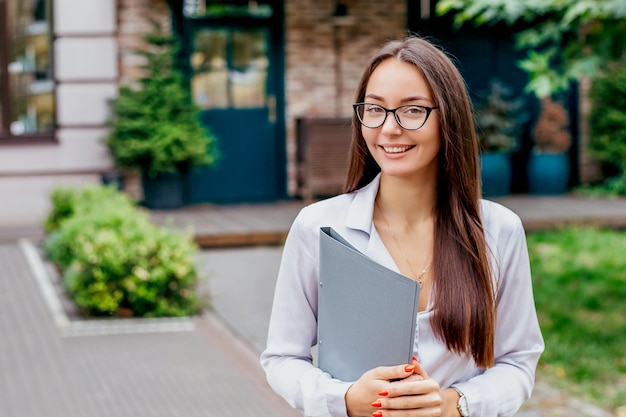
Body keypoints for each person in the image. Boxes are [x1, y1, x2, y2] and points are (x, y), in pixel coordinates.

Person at [260, 36, 544, 417]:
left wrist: (453, 404)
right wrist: (343, 399)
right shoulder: (319, 227)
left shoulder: (499, 230)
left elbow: (518, 362)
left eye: (412, 110)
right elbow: (282, 358)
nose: (389, 129)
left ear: (449, 117)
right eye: (374, 109)